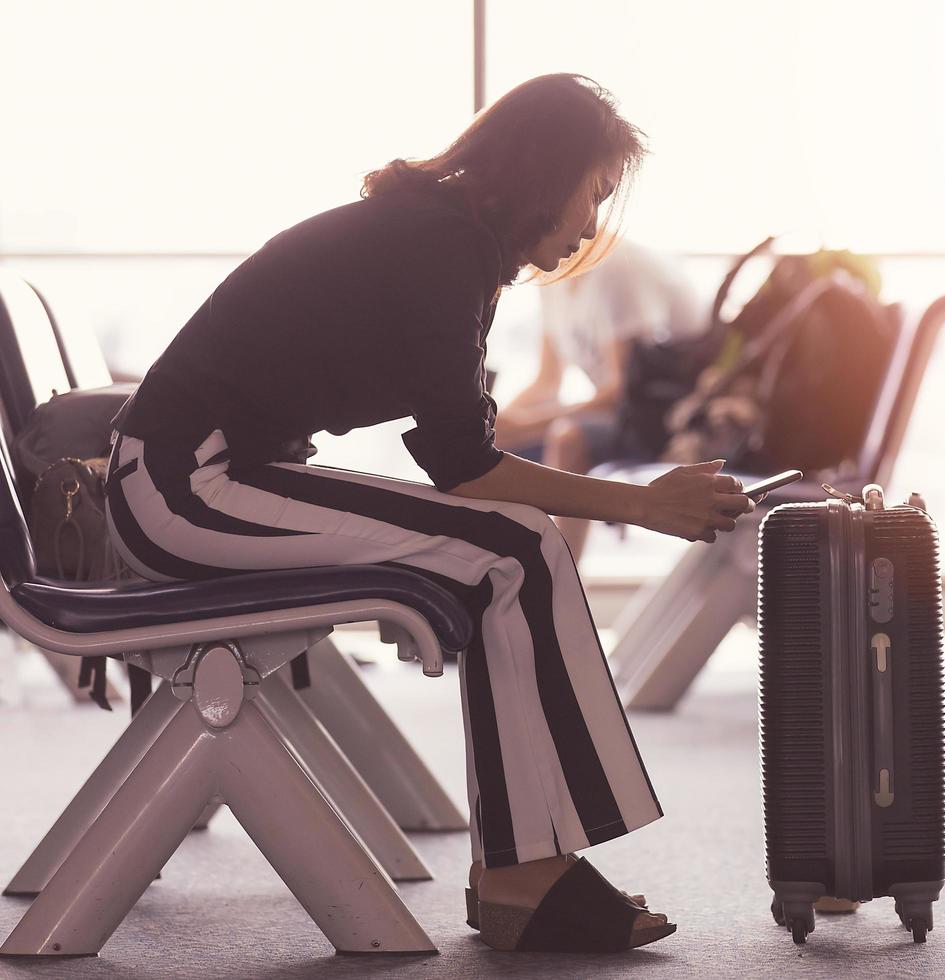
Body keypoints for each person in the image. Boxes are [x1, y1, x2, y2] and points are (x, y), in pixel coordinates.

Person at [104, 73, 754, 953]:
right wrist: (644, 504)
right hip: (182, 490)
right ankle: (525, 868)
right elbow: (467, 468)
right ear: (547, 170)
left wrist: (634, 500)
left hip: (208, 475)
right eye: (592, 195)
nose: (591, 228)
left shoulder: (445, 240)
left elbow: (463, 444)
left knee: (514, 545)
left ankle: (523, 863)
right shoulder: (439, 248)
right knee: (511, 547)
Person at [499, 239, 700, 561]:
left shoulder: (618, 269)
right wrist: (496, 422)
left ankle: (560, 576)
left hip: (668, 417)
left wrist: (524, 426)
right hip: (624, 410)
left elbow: (621, 392)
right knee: (492, 446)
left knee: (569, 438)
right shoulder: (550, 270)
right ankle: (507, 567)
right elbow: (547, 381)